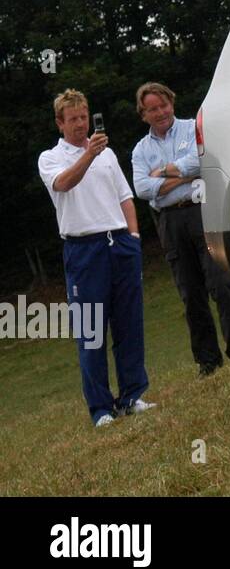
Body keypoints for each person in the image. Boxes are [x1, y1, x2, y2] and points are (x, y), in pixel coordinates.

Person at [37, 89, 156, 427]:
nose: (80, 124)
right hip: (84, 249)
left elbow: (125, 197)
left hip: (119, 243)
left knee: (129, 324)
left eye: (84, 117)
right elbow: (63, 184)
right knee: (91, 332)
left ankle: (132, 395)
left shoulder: (107, 154)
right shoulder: (51, 158)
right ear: (60, 123)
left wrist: (133, 237)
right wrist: (88, 154)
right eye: (73, 119)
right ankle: (101, 409)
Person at [131, 81, 230, 376]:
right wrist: (184, 175)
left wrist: (165, 172)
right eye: (152, 109)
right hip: (170, 222)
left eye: (164, 105)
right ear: (143, 114)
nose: (160, 112)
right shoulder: (141, 150)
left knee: (221, 282)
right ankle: (208, 361)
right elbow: (142, 188)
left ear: (172, 102)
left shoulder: (191, 128)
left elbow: (204, 160)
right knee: (190, 293)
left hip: (203, 211)